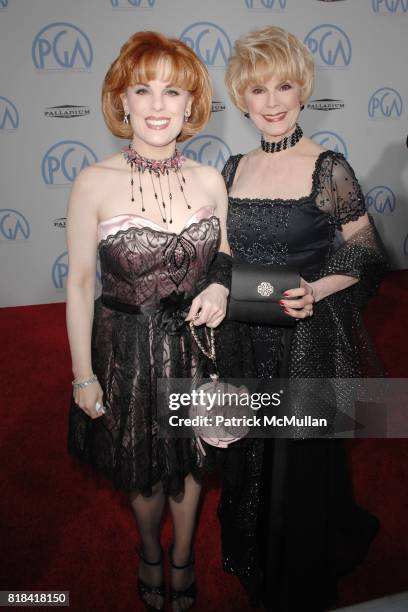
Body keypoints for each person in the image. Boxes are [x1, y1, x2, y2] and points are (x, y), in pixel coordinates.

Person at [217, 26, 387, 612]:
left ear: (302, 90)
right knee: (250, 451)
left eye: (283, 85)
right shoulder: (232, 167)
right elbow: (225, 253)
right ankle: (257, 548)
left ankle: (299, 566)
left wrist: (316, 289)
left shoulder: (329, 166)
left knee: (299, 457)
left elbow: (365, 250)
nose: (272, 100)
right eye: (258, 88)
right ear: (242, 96)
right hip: (244, 334)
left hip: (307, 336)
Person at [66, 31, 230, 612]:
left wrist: (219, 287)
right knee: (145, 474)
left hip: (195, 350)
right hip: (125, 351)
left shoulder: (212, 181)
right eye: (144, 89)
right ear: (123, 100)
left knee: (191, 467)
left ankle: (182, 558)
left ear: (192, 105)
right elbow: (81, 282)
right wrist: (83, 375)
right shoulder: (92, 181)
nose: (158, 105)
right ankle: (149, 553)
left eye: (173, 91)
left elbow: (224, 263)